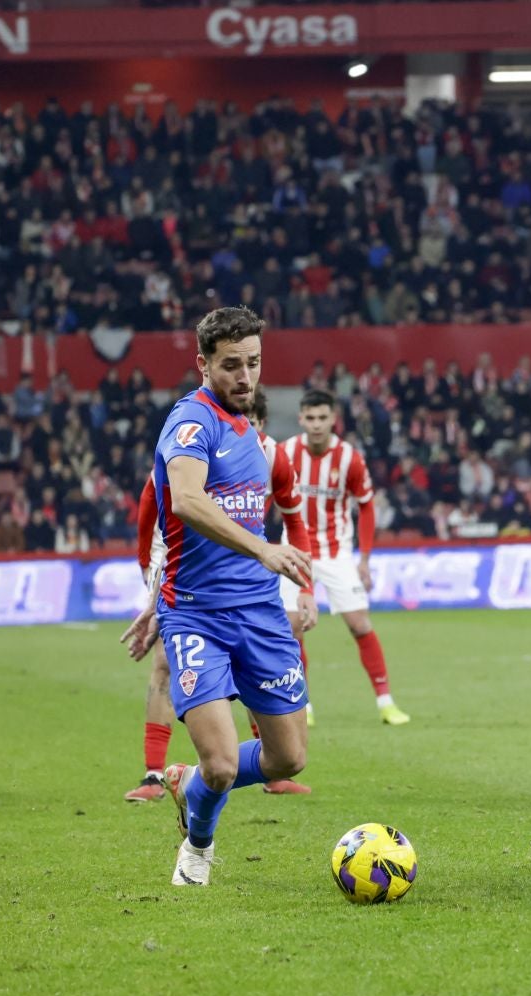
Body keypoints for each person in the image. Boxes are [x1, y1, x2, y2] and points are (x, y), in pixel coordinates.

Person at [118, 306, 312, 886]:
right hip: (199, 617)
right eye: (231, 365)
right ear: (202, 364)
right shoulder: (190, 423)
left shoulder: (252, 434)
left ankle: (183, 781)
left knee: (288, 758)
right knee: (224, 765)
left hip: (260, 614)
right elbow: (185, 501)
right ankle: (197, 849)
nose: (245, 377)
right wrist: (262, 549)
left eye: (253, 363)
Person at [126, 395, 315, 802]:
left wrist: (306, 589)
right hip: (184, 568)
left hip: (245, 573)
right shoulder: (197, 440)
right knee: (162, 663)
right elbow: (151, 504)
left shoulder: (271, 455)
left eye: (253, 421)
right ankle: (153, 773)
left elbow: (295, 520)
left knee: (284, 737)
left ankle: (265, 758)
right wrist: (151, 581)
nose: (246, 427)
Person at [275, 389, 410, 727]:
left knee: (360, 624)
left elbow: (365, 505)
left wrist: (364, 558)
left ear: (333, 418)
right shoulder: (285, 453)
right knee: (293, 629)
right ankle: (302, 705)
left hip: (336, 553)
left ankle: (386, 702)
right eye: (311, 418)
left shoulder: (350, 457)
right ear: (301, 419)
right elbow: (265, 501)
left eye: (323, 417)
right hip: (294, 552)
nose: (317, 424)